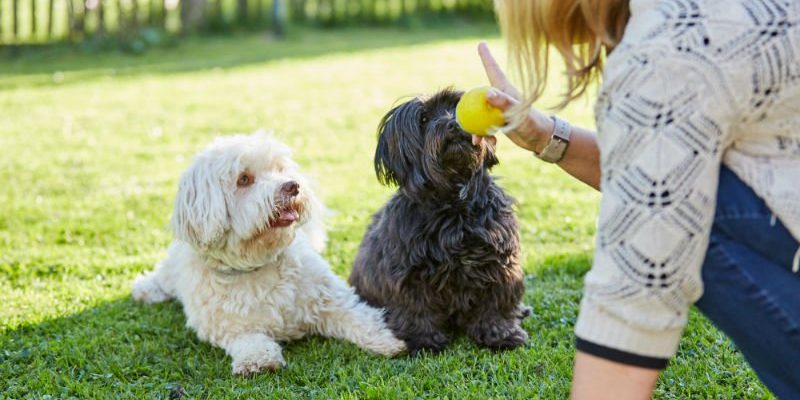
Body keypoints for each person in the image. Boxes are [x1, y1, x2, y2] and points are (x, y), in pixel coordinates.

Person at [473, 0, 800, 398]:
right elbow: (663, 169)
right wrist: (545, 136)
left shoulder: (667, 47)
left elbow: (635, 292)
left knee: (682, 219)